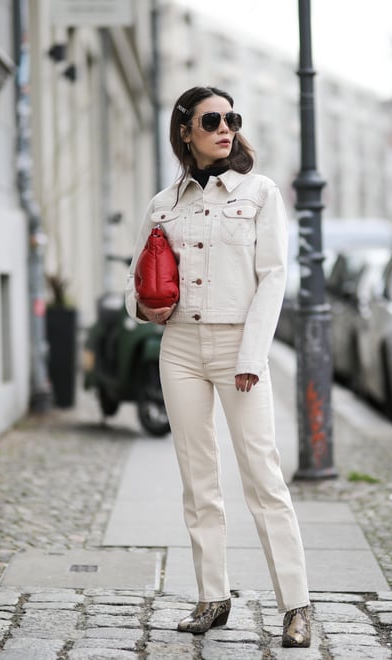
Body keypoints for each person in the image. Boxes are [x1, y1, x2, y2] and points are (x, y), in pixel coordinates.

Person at [125, 85, 312, 648]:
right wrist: (147, 302)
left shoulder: (260, 193)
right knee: (197, 477)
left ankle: (297, 606)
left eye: (231, 118)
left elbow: (274, 277)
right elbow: (137, 288)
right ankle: (212, 595)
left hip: (238, 347)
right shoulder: (164, 203)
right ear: (186, 131)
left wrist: (253, 354)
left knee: (263, 476)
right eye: (212, 120)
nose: (225, 127)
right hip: (180, 347)